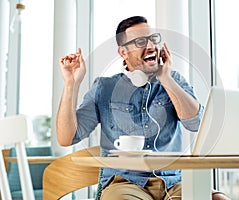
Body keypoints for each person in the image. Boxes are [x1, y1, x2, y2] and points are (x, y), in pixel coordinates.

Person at [57, 16, 230, 200]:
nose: (150, 46)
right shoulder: (104, 88)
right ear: (123, 52)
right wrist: (71, 84)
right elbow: (67, 138)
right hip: (125, 184)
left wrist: (166, 78)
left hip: (174, 182)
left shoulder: (175, 81)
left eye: (153, 39)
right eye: (140, 41)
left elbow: (196, 123)